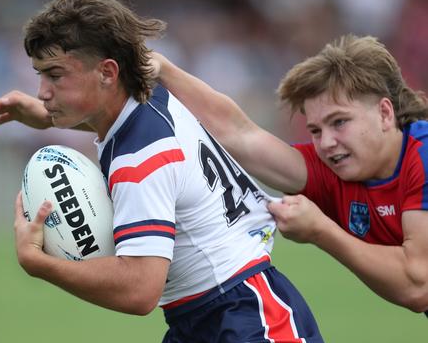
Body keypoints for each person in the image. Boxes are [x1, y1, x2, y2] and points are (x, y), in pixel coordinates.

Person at [0, 0, 335, 343]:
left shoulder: (140, 159)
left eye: (55, 76)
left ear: (108, 72)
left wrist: (41, 264)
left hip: (249, 312)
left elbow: (139, 289)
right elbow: (114, 122)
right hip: (197, 324)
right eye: (39, 77)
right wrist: (42, 114)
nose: (43, 92)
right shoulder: (150, 95)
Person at [149, 35, 428, 316]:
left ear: (384, 113)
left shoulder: (423, 156)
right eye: (316, 130)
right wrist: (164, 69)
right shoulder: (334, 170)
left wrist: (321, 230)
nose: (327, 142)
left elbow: (418, 286)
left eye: (340, 122)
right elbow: (239, 134)